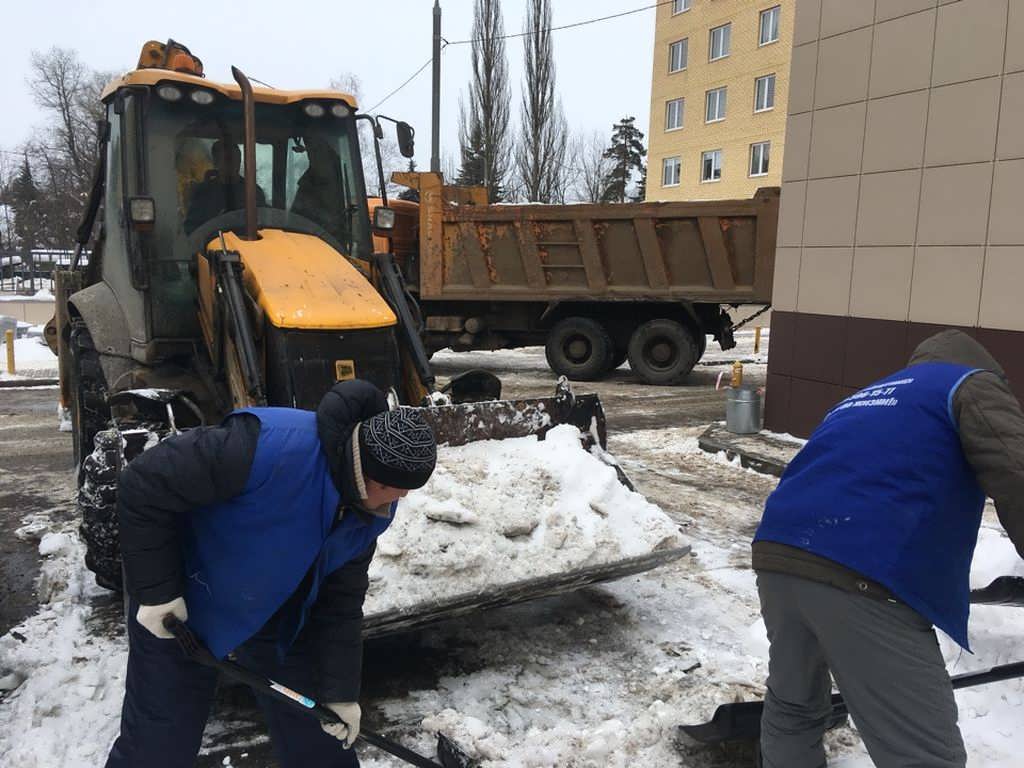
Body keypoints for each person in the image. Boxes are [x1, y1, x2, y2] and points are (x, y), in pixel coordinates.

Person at [105, 379, 437, 768]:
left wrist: (340, 692)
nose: (401, 502)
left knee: (319, 737)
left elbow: (341, 601)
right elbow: (144, 482)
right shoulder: (267, 447)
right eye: (398, 492)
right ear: (374, 478)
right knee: (159, 742)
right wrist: (158, 591)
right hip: (183, 601)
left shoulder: (373, 508)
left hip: (280, 609)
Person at [752, 330, 1024, 768]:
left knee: (795, 706)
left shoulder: (872, 394)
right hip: (864, 570)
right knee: (923, 754)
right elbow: (1017, 474)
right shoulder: (971, 384)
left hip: (779, 553)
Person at [183, 139, 267, 233]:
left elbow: (265, 225)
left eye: (237, 159)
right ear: (216, 162)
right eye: (228, 159)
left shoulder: (253, 191)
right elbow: (191, 230)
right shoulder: (203, 193)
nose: (234, 164)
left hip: (248, 245)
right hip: (212, 245)